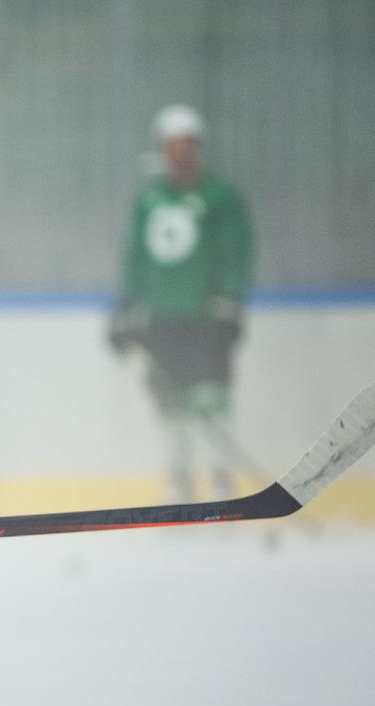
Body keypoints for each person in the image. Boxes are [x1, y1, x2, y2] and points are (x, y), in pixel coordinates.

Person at [109, 104, 256, 503]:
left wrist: (229, 300)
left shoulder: (221, 196)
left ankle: (222, 483)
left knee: (211, 400)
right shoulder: (150, 199)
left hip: (206, 316)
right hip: (162, 317)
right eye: (172, 145)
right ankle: (179, 484)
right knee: (170, 403)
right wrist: (125, 305)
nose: (180, 153)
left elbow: (236, 250)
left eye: (187, 144)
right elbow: (136, 254)